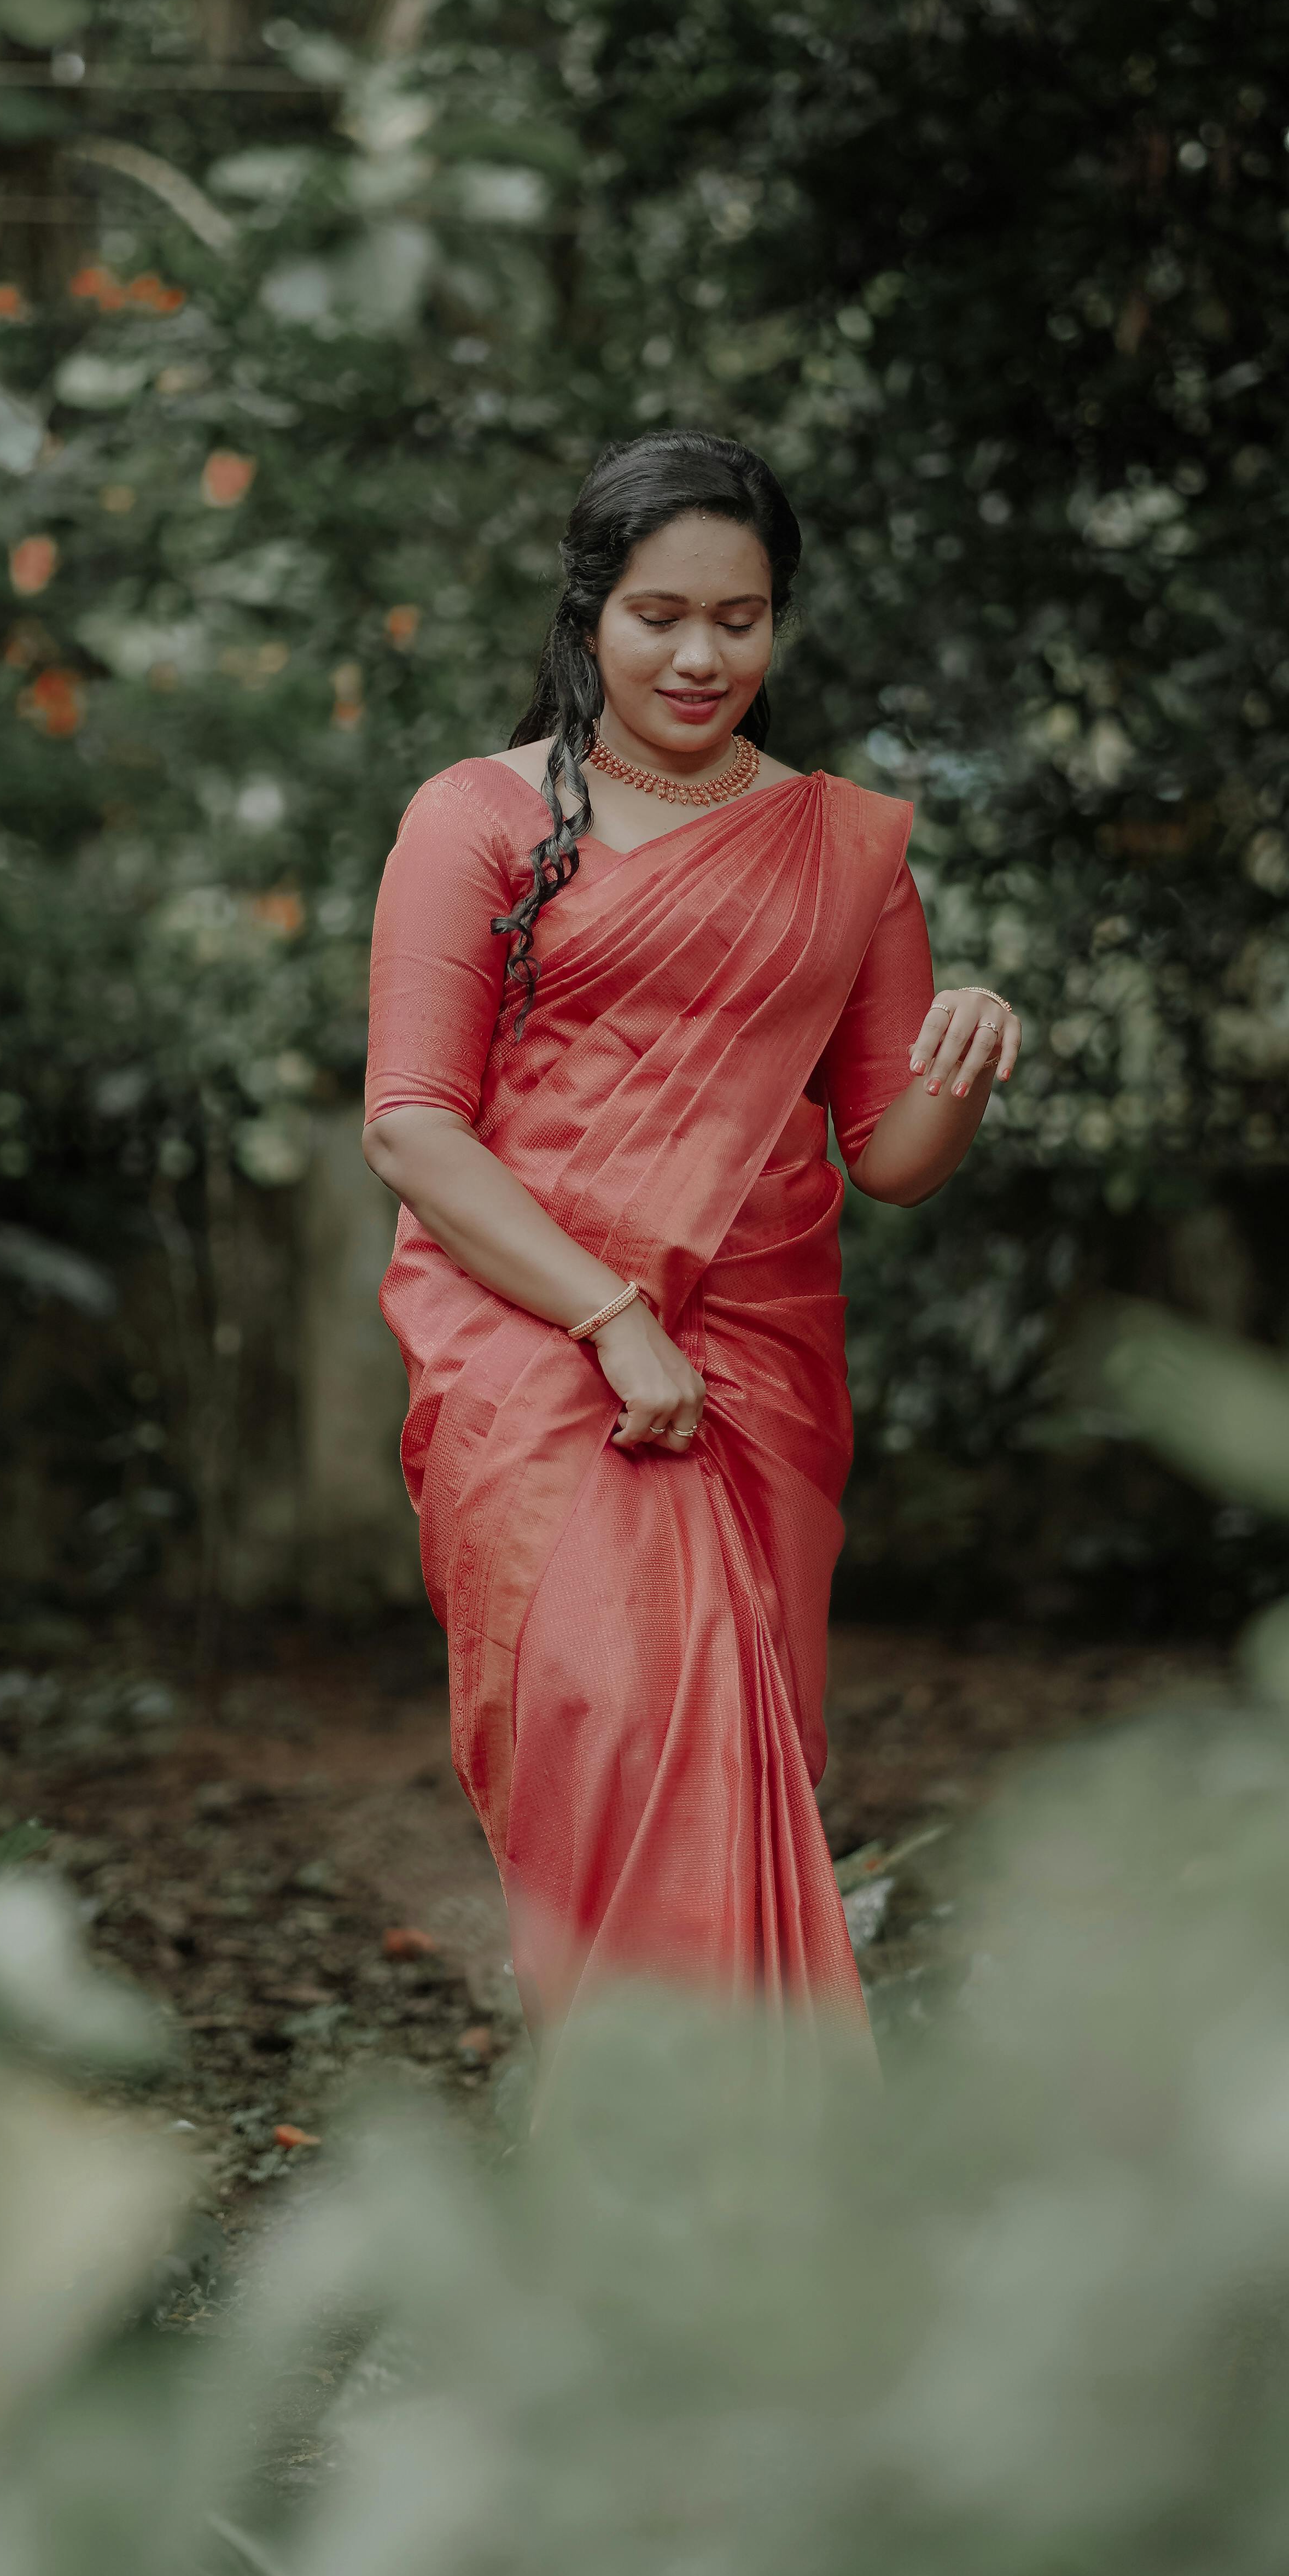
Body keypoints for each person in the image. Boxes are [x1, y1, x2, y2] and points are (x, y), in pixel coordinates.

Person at [362, 430, 1019, 2050]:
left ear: (780, 624)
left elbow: (891, 1161)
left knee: (738, 1759)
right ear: (591, 614)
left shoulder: (847, 853)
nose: (701, 654)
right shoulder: (475, 819)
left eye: (742, 617)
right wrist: (607, 1317)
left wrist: (966, 1064)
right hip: (538, 1354)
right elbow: (412, 1124)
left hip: (755, 1369)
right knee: (615, 1725)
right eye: (661, 614)